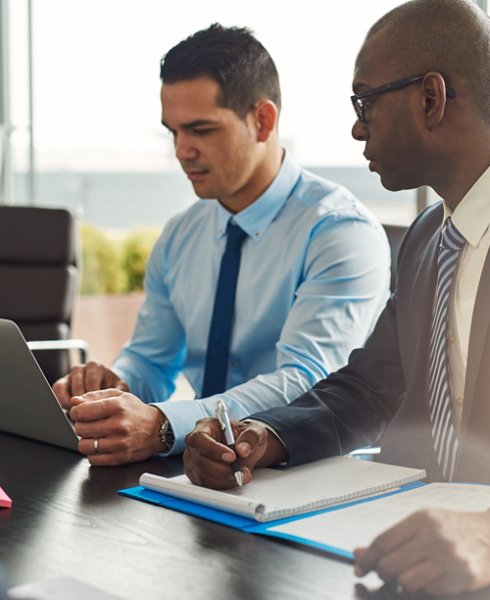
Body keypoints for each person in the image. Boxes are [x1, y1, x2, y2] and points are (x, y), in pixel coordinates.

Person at [182, 0, 490, 595]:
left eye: (364, 101)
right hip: (405, 564)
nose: (357, 127)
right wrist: (259, 437)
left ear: (430, 98)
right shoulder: (429, 237)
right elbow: (368, 388)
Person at [52, 24, 390, 467]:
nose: (181, 151)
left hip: (310, 467)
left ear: (263, 121)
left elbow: (306, 383)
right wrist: (114, 386)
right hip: (201, 466)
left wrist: (164, 426)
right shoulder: (179, 236)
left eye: (200, 130)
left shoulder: (339, 231)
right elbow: (152, 361)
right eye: (173, 132)